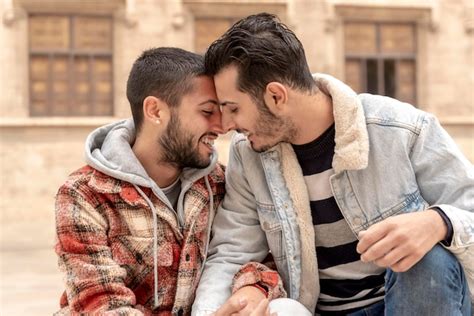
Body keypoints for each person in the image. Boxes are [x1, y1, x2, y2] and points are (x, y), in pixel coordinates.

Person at [192, 13, 473, 316]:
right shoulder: (248, 155)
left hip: (408, 303)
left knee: (428, 257)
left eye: (233, 108)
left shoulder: (402, 129)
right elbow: (233, 252)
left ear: (276, 96)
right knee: (279, 311)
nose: (227, 124)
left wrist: (437, 222)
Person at [54, 47, 229, 315]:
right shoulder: (84, 194)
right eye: (207, 112)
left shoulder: (219, 184)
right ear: (155, 110)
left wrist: (250, 293)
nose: (222, 126)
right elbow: (102, 305)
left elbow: (254, 260)